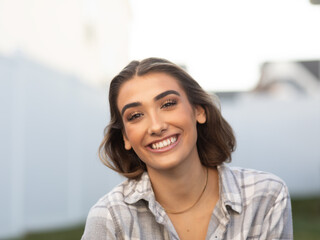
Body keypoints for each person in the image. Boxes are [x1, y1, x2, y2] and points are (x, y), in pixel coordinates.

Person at [81, 58, 293, 240]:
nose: (156, 126)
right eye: (135, 116)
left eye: (168, 104)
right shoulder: (109, 218)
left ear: (198, 111)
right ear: (126, 137)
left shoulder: (266, 197)